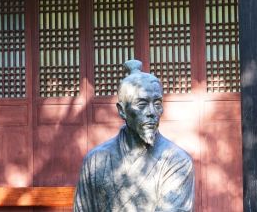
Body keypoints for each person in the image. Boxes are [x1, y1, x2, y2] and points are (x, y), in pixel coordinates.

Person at [74, 60, 195, 212]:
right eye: (142, 104)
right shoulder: (95, 161)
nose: (152, 112)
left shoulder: (177, 161)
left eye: (157, 104)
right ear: (122, 110)